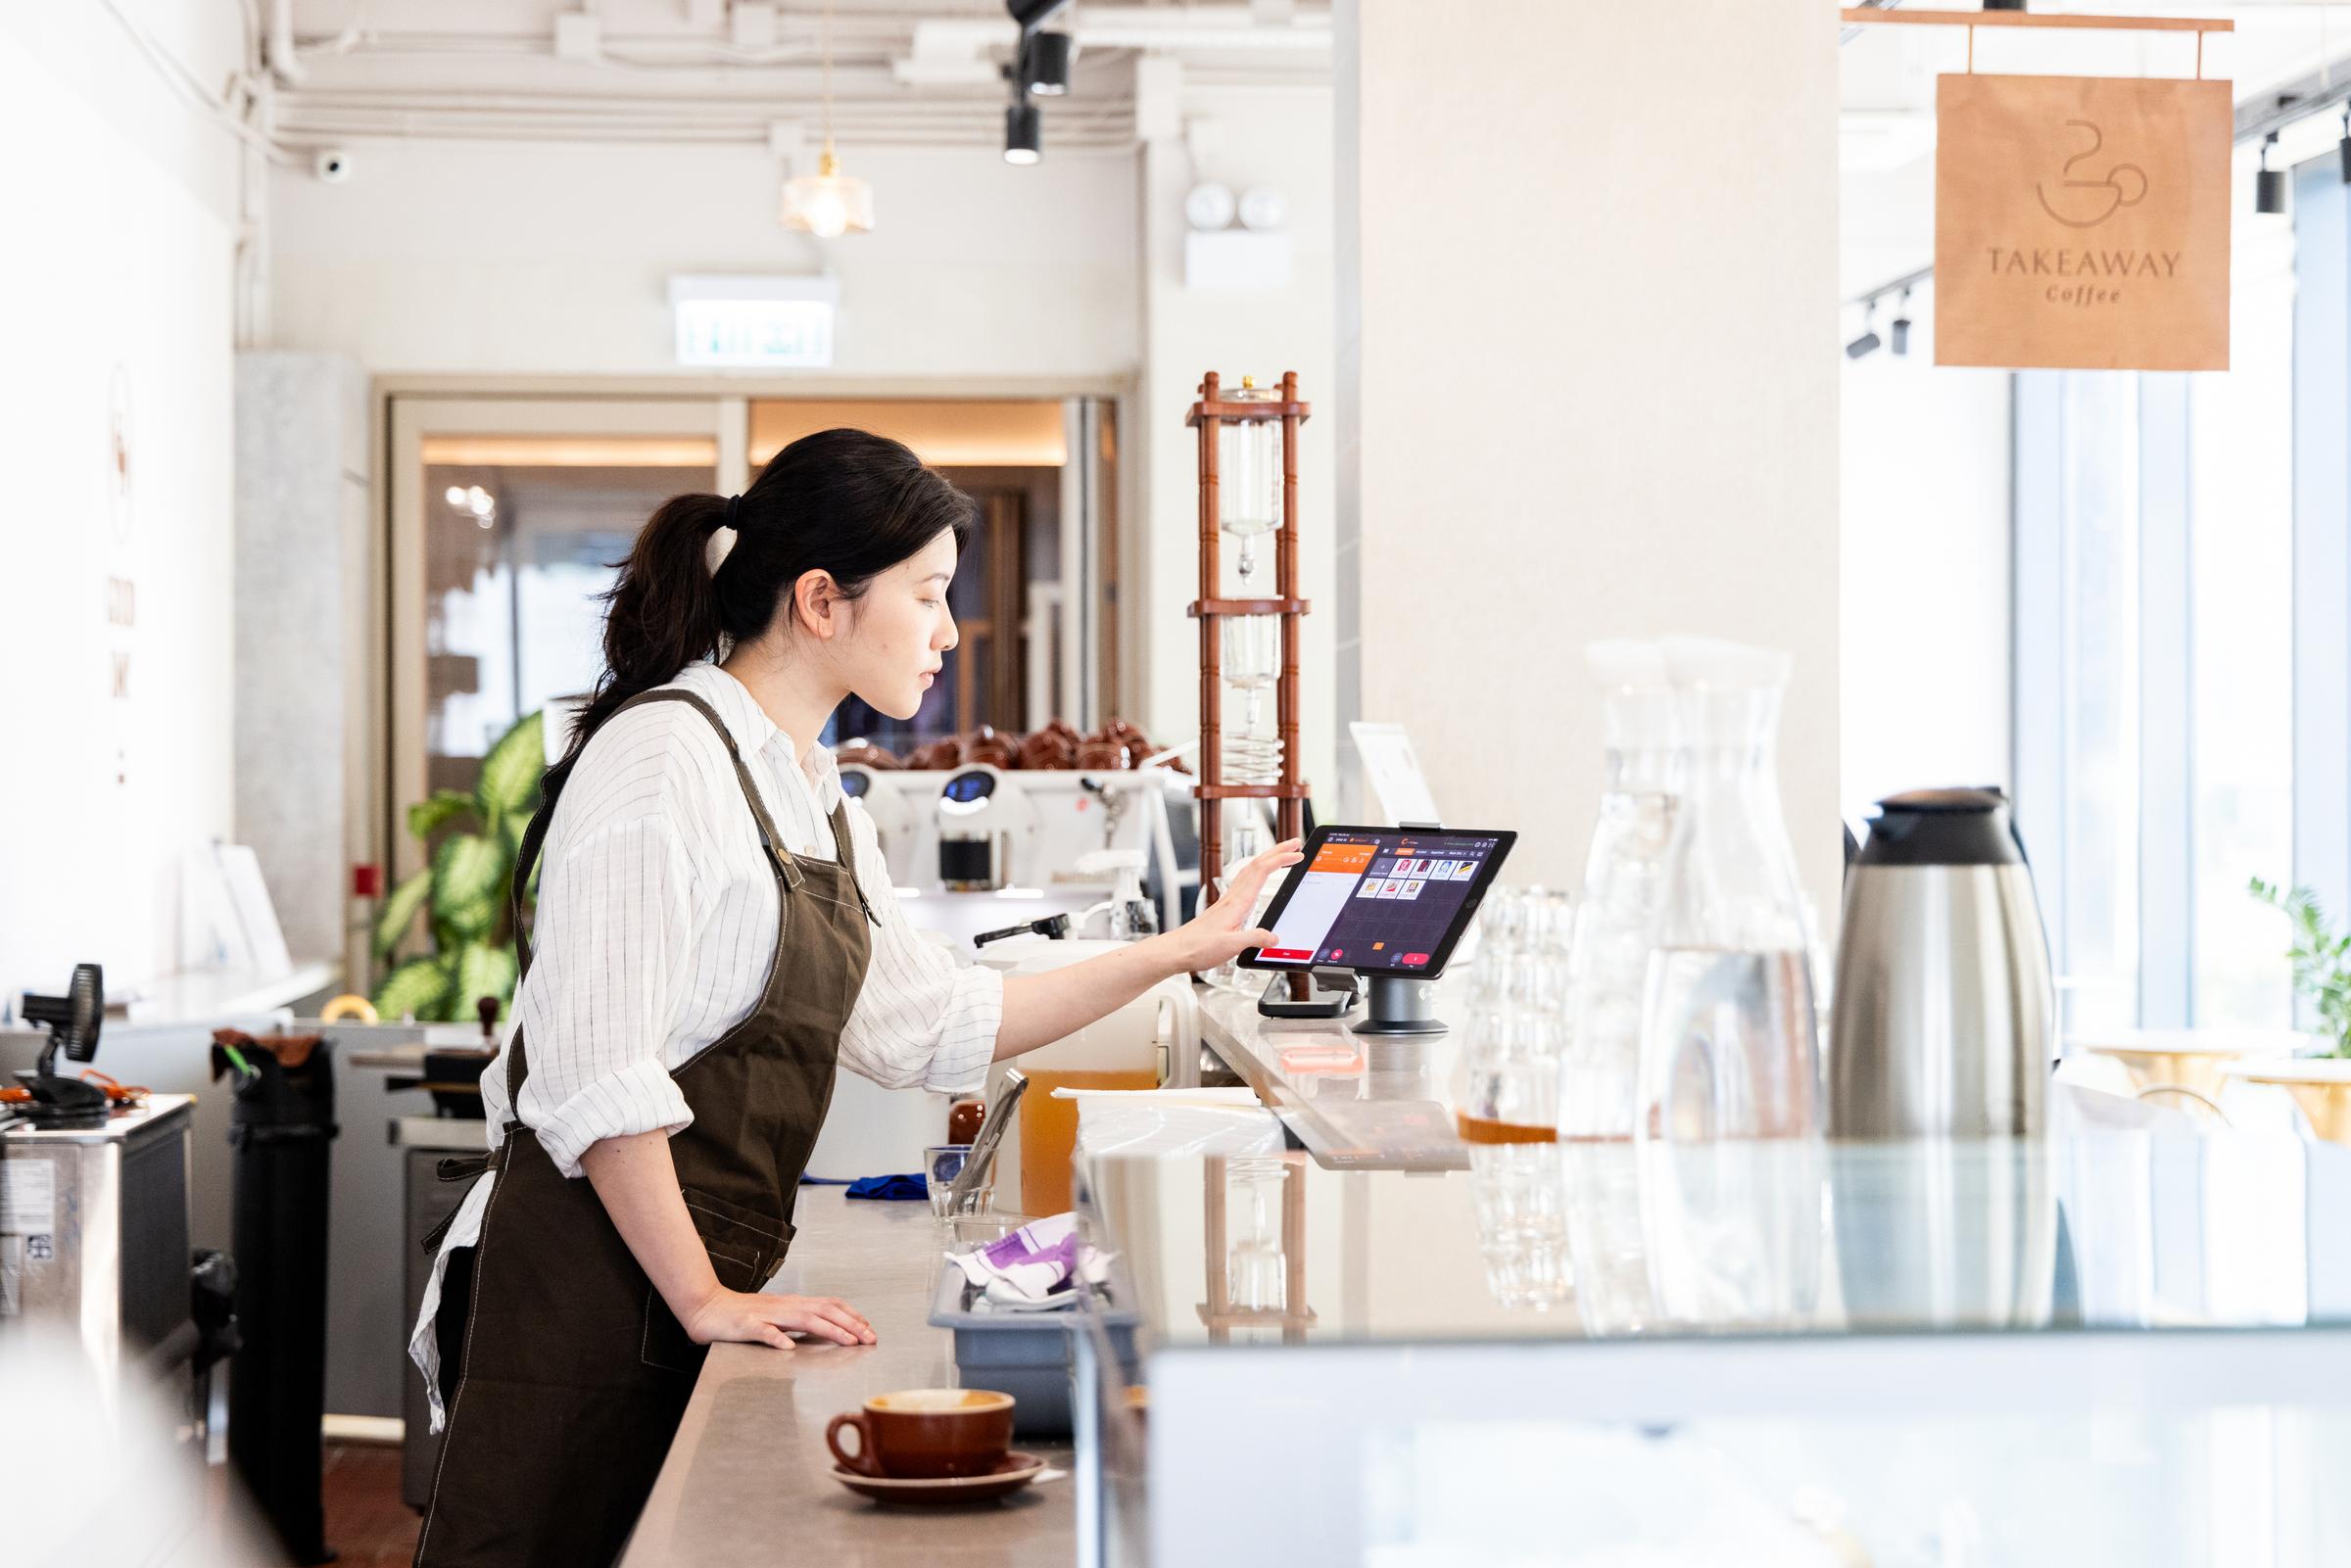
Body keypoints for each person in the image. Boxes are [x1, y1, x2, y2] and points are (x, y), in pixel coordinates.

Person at [408, 428, 1298, 1567]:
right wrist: (702, 1296)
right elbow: (596, 1072)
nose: (947, 630)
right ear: (821, 600)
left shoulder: (814, 790)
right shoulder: (662, 761)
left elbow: (932, 1024)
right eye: (929, 595)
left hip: (685, 1285)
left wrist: (1181, 948)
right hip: (585, 1286)